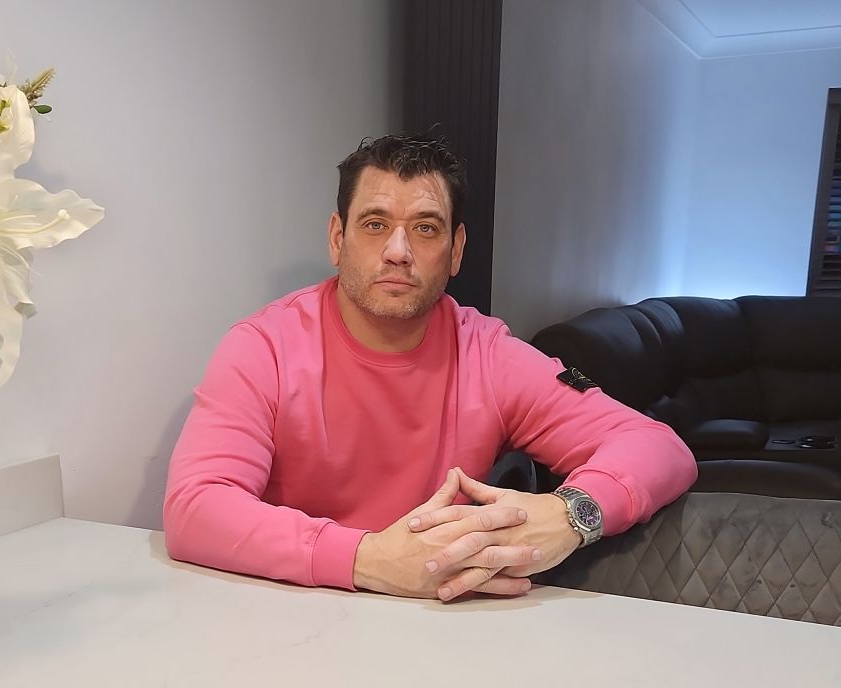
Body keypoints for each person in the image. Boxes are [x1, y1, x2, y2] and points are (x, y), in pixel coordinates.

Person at [163, 133, 697, 602]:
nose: (398, 251)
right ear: (337, 237)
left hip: (440, 621)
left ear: (456, 249)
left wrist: (568, 514)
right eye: (375, 224)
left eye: (425, 228)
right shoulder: (265, 347)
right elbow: (196, 507)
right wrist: (368, 559)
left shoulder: (488, 354)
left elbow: (659, 446)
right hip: (291, 610)